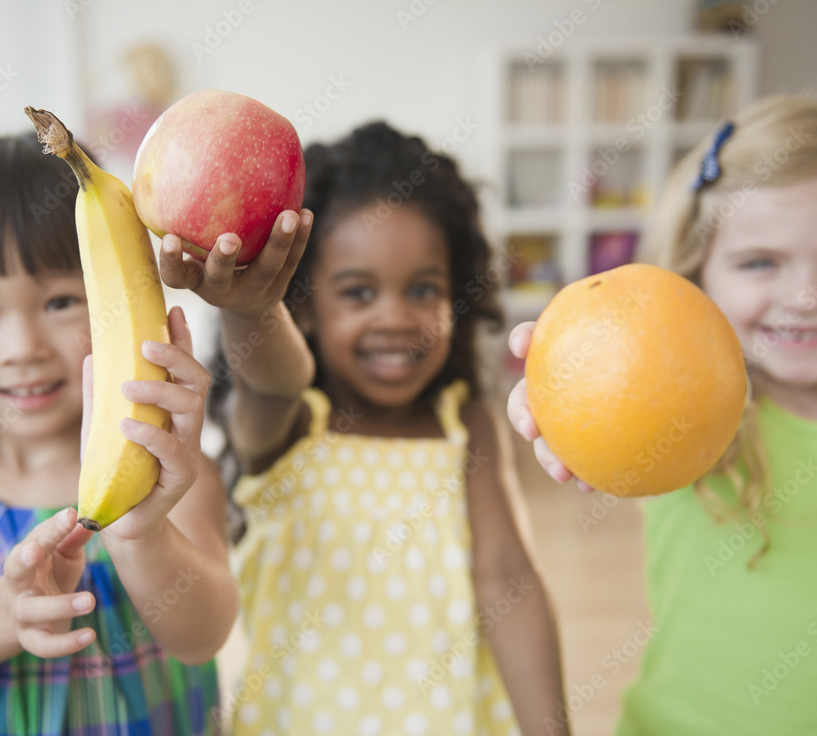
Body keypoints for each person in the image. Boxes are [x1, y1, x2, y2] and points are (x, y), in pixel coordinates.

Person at [159, 121, 571, 736]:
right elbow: (272, 382)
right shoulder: (293, 423)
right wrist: (253, 306)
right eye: (357, 293)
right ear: (304, 305)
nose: (396, 318)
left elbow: (508, 580)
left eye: (423, 290)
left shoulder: (467, 426)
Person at [0, 132, 239, 735]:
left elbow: (204, 635)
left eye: (62, 301)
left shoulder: (172, 470)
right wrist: (8, 610)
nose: (23, 350)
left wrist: (142, 532)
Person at [506, 93, 817, 735]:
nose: (806, 298)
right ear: (697, 278)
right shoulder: (697, 416)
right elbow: (613, 409)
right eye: (760, 263)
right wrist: (562, 386)